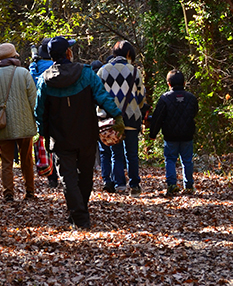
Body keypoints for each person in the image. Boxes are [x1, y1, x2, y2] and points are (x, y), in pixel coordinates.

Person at [35, 37, 124, 230]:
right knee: (84, 176)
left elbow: (39, 111)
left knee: (68, 178)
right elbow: (103, 96)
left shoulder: (44, 80)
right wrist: (117, 116)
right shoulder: (86, 74)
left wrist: (42, 132)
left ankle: (79, 215)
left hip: (59, 137)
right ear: (68, 53)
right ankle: (80, 214)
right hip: (86, 134)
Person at [0, 42, 37, 201]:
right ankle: (30, 192)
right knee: (27, 159)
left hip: (2, 124)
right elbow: (33, 100)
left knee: (6, 161)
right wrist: (37, 120)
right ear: (14, 56)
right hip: (25, 123)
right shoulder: (24, 73)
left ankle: (8, 193)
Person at [97, 40, 146, 195]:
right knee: (132, 154)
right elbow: (141, 96)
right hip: (131, 117)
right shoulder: (134, 71)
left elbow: (98, 95)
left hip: (110, 118)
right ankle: (135, 185)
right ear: (128, 54)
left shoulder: (103, 71)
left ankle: (119, 184)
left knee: (115, 153)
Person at [149, 69, 198, 196]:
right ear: (184, 82)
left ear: (169, 84)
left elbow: (157, 118)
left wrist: (153, 134)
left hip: (170, 136)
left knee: (170, 160)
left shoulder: (165, 98)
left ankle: (172, 185)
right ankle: (189, 186)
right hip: (187, 135)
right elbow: (194, 112)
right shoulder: (191, 98)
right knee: (187, 160)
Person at [29, 38, 59, 188]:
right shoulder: (57, 64)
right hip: (59, 107)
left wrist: (33, 66)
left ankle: (51, 176)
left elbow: (32, 85)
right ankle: (62, 172)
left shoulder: (35, 67)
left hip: (41, 108)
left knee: (45, 142)